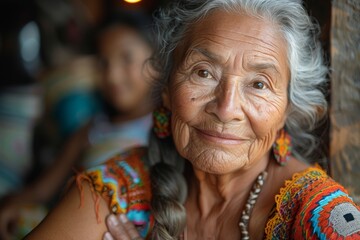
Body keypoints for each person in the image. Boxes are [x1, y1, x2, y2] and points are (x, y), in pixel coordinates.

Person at [26, 0, 360, 239]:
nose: (226, 108)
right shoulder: (119, 189)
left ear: (287, 108)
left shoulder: (320, 216)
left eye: (259, 84)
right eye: (203, 72)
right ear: (168, 90)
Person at [0, 12, 155, 240]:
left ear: (159, 63)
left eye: (126, 58)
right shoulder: (92, 130)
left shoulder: (163, 131)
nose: (112, 75)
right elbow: (43, 189)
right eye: (104, 63)